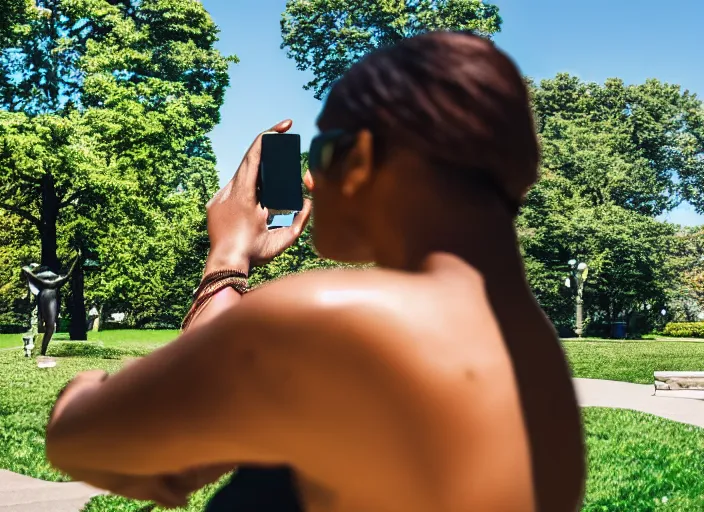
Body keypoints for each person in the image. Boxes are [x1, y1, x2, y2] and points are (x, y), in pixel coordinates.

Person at [45, 31, 585, 512]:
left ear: (366, 155)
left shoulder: (342, 322)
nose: (309, 182)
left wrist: (227, 254)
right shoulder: (532, 353)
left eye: (324, 151)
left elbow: (90, 442)